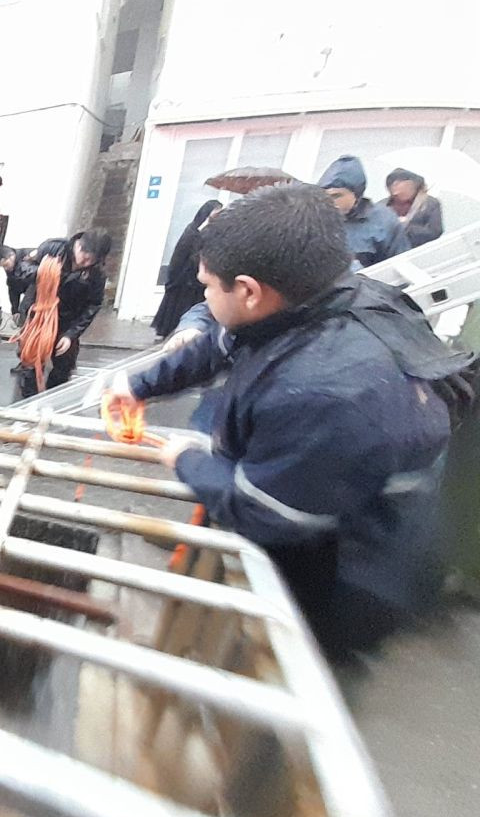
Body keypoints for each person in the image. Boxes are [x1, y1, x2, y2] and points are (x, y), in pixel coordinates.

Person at [105, 182, 471, 659]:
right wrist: (139, 385)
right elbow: (219, 342)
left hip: (346, 570)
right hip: (312, 493)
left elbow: (265, 511)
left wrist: (186, 458)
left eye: (207, 286)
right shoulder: (319, 297)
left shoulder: (325, 391)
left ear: (249, 291)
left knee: (290, 658)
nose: (205, 297)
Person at [15, 229, 112, 395]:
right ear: (78, 245)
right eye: (84, 255)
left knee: (64, 365)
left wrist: (71, 335)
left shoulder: (96, 273)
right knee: (31, 362)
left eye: (92, 259)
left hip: (67, 321)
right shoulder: (52, 248)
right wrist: (43, 273)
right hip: (37, 314)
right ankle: (29, 400)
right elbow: (21, 268)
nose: (86, 261)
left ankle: (52, 399)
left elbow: (93, 305)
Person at [318, 155, 410, 267]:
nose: (330, 202)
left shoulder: (384, 222)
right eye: (325, 196)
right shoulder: (316, 221)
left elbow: (402, 265)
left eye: (337, 196)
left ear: (356, 194)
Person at [151, 200, 222, 339]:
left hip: (196, 282)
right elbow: (179, 257)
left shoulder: (211, 232)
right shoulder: (192, 232)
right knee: (178, 307)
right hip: (184, 280)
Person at [381, 167, 444, 248]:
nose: (395, 185)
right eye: (392, 182)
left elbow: (435, 232)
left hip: (418, 251)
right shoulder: (381, 206)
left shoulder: (430, 203)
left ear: (413, 184)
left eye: (400, 181)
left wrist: (406, 227)